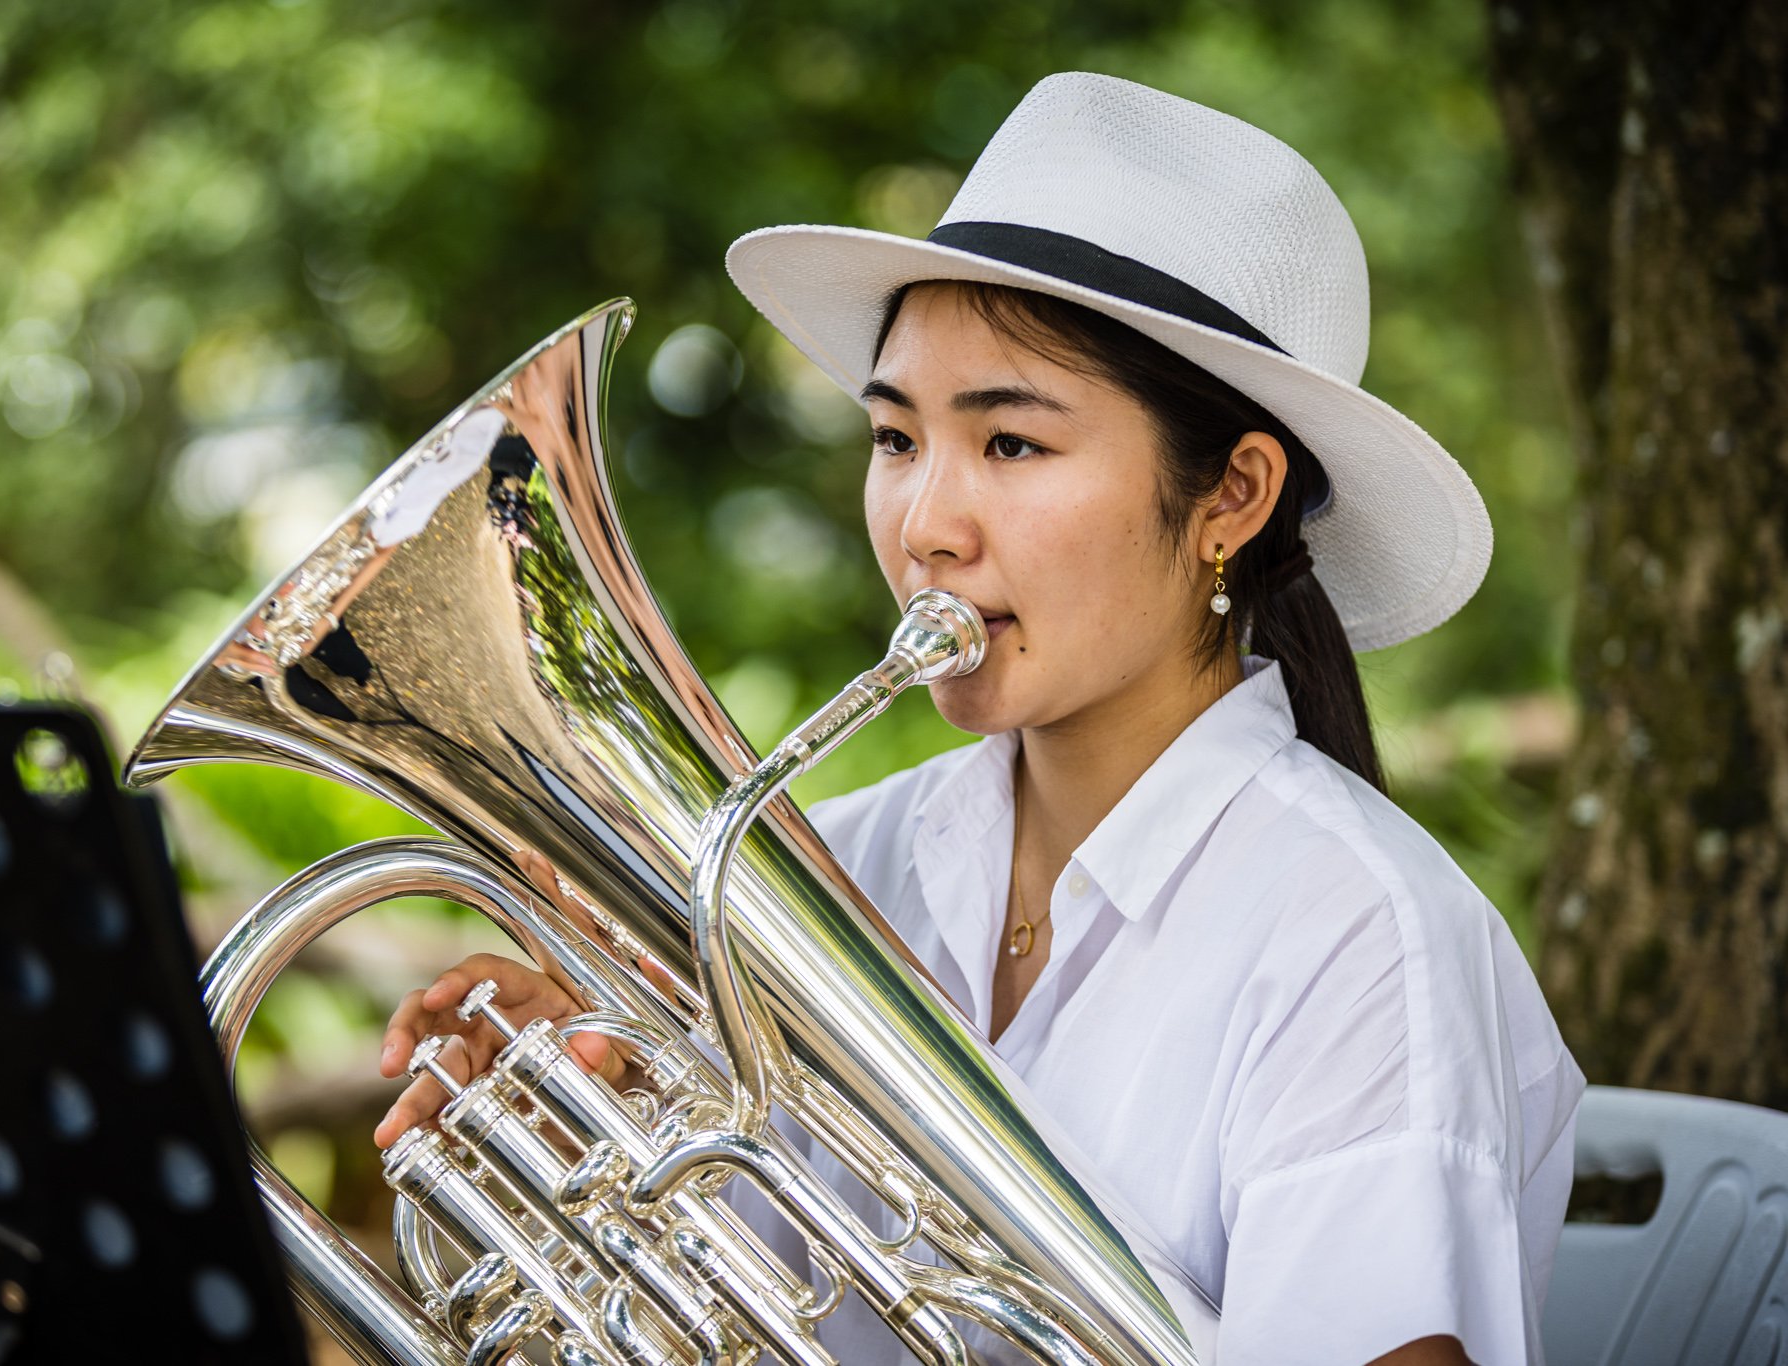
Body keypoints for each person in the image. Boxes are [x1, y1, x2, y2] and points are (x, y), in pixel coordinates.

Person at [375, 72, 1585, 1365]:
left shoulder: (1362, 941)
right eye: (896, 440)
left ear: (1232, 494)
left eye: (1011, 445)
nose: (925, 527)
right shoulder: (833, 872)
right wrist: (583, 1153)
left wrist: (894, 1088)